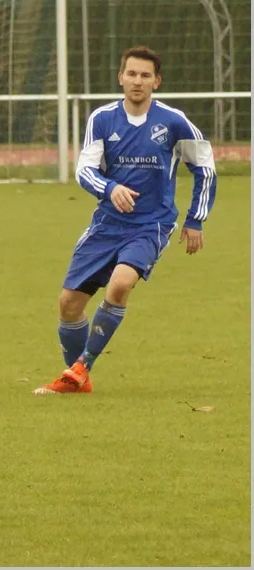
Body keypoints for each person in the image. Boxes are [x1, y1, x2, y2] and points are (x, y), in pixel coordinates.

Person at [35, 46, 216, 395]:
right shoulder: (102, 119)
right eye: (131, 74)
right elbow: (85, 170)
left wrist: (196, 219)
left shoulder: (174, 121)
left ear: (156, 82)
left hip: (151, 225)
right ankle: (78, 380)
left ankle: (80, 368)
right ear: (121, 78)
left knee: (119, 285)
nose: (137, 81)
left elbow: (205, 167)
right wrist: (110, 187)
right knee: (69, 304)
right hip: (107, 224)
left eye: (145, 75)